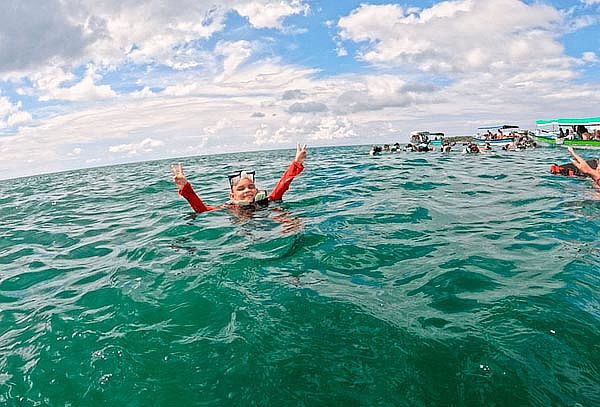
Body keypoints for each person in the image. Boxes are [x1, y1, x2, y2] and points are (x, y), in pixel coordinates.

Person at [172, 144, 307, 213]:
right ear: (233, 195)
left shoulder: (268, 201)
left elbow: (283, 184)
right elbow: (202, 210)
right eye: (241, 189)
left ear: (257, 190)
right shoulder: (229, 208)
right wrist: (185, 187)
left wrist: (297, 163)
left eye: (251, 187)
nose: (247, 190)